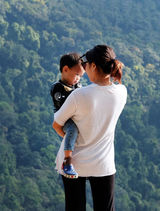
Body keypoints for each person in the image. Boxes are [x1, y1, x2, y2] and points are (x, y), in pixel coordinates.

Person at [52, 44, 127, 211]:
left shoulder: (79, 95)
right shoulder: (122, 92)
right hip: (103, 161)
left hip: (72, 162)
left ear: (93, 66)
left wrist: (69, 139)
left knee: (74, 207)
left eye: (86, 65)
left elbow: (57, 124)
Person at [50, 52, 85, 179]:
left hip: (77, 115)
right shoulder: (57, 88)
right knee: (72, 129)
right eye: (76, 75)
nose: (78, 79)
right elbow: (65, 105)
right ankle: (67, 161)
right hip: (65, 118)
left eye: (80, 76)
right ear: (65, 69)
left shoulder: (77, 86)